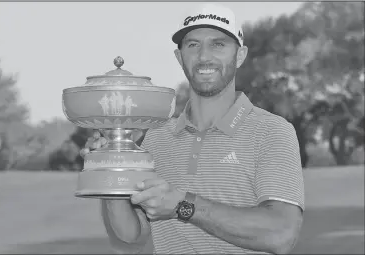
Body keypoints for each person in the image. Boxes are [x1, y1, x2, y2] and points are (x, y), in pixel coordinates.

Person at [81, 3, 304, 254]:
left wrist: (183, 205)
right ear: (180, 57)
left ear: (240, 55)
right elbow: (133, 233)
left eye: (218, 44)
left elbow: (281, 234)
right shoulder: (156, 137)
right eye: (193, 45)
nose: (204, 56)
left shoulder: (272, 132)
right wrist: (112, 170)